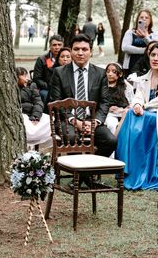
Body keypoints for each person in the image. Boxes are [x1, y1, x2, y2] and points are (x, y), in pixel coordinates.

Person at [49, 34, 117, 163]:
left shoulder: (100, 73)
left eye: (84, 49)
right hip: (67, 120)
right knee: (73, 138)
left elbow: (105, 102)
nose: (80, 53)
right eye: (76, 49)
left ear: (91, 52)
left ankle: (86, 173)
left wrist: (95, 122)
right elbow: (56, 103)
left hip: (91, 120)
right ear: (71, 50)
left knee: (110, 141)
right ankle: (84, 174)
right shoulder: (59, 73)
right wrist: (75, 121)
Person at [116, 42, 158, 190]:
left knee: (144, 118)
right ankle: (128, 168)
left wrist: (144, 107)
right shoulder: (143, 78)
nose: (156, 58)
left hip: (155, 116)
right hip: (146, 115)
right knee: (130, 115)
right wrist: (137, 105)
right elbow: (138, 95)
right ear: (148, 56)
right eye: (153, 55)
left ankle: (144, 171)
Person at [16, 67, 51, 148]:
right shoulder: (13, 88)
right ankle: (26, 144)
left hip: (32, 113)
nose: (26, 78)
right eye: (23, 76)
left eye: (26, 75)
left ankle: (35, 143)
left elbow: (38, 102)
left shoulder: (32, 85)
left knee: (48, 119)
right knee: (25, 124)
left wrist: (35, 116)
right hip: (22, 113)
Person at [121, 9, 156, 74]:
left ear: (150, 20)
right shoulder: (130, 32)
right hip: (131, 66)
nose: (144, 19)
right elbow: (125, 47)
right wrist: (144, 50)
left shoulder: (154, 34)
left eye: (147, 17)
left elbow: (155, 48)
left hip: (148, 66)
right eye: (141, 17)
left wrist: (145, 37)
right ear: (138, 19)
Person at [32, 34, 64, 103]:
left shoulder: (67, 59)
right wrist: (49, 86)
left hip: (63, 89)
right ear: (50, 46)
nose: (57, 47)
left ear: (63, 46)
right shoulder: (42, 59)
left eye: (59, 45)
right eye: (54, 45)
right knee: (45, 95)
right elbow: (36, 79)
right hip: (47, 89)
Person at [103, 63, 133, 135]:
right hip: (109, 113)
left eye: (114, 72)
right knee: (111, 124)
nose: (110, 74)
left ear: (120, 74)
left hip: (123, 112)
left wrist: (126, 109)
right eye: (108, 71)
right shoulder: (103, 85)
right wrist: (108, 108)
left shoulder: (126, 86)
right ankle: (113, 142)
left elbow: (132, 101)